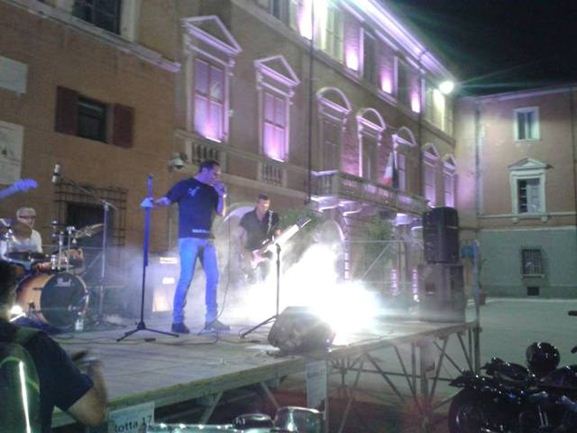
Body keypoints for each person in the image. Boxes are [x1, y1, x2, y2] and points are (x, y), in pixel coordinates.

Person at [0, 260, 108, 432]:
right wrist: (95, 369)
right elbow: (94, 415)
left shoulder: (38, 348)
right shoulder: (36, 346)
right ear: (12, 295)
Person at [142, 159, 229, 334]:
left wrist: (222, 196)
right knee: (186, 278)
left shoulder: (212, 190)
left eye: (218, 175)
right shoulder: (184, 185)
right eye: (214, 173)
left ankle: (211, 319)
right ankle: (177, 320)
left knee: (214, 278)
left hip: (207, 240)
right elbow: (167, 200)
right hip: (189, 239)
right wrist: (153, 203)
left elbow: (221, 212)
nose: (217, 177)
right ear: (204, 170)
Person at [238, 193, 280, 283]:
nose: (265, 208)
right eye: (262, 205)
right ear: (257, 204)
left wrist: (267, 247)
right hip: (250, 250)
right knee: (250, 278)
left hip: (267, 250)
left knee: (267, 274)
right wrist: (244, 251)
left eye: (267, 206)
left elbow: (277, 234)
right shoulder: (248, 217)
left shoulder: (273, 217)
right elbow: (239, 237)